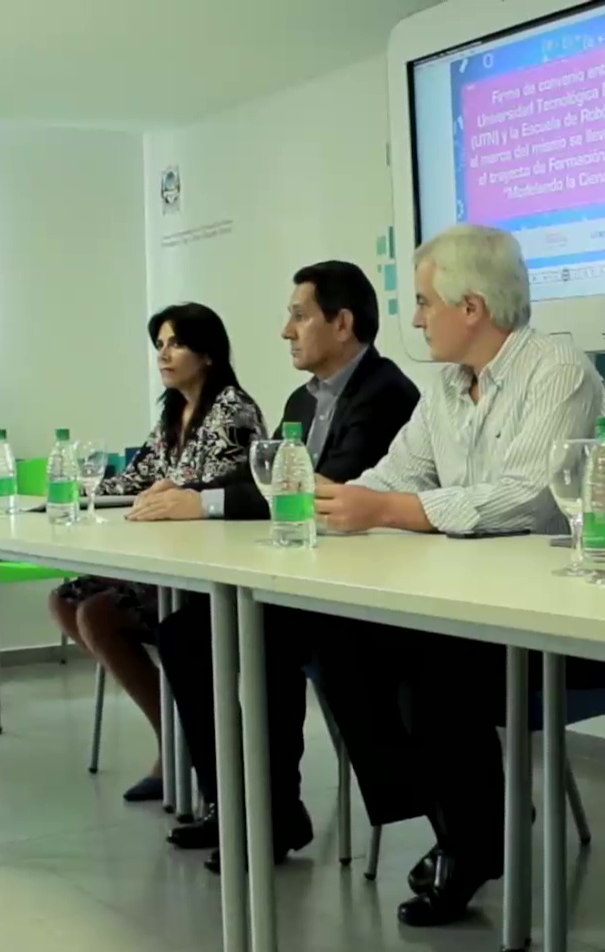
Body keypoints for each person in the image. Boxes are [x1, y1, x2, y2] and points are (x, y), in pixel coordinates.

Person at [310, 223, 605, 927]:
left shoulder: (558, 373)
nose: (415, 319)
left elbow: (529, 496)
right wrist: (335, 502)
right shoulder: (445, 389)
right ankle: (467, 826)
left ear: (470, 308)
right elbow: (393, 475)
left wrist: (394, 507)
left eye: (424, 303)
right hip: (465, 608)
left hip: (552, 618)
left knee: (428, 669)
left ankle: (473, 837)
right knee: (337, 644)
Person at [144, 261, 419, 870]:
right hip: (305, 576)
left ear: (341, 323)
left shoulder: (385, 392)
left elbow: (329, 488)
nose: (284, 331)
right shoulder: (302, 397)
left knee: (252, 636)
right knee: (188, 634)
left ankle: (272, 813)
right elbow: (269, 479)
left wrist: (206, 502)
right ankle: (241, 808)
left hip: (366, 590)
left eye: (298, 316)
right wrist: (193, 496)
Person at [49, 303, 262, 803]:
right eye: (160, 345)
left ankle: (175, 747)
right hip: (165, 562)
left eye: (176, 344)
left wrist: (171, 490)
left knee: (99, 613)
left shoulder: (232, 410)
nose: (164, 355)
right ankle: (175, 731)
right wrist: (78, 490)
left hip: (209, 571)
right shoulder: (173, 411)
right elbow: (139, 479)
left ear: (208, 354)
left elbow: (214, 488)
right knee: (65, 600)